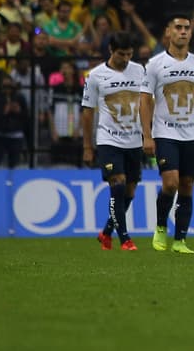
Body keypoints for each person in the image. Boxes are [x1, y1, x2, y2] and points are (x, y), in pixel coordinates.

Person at [141, 13, 194, 254]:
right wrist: (147, 135)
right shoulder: (155, 64)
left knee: (187, 185)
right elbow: (144, 101)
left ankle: (180, 240)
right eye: (178, 27)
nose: (183, 31)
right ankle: (161, 226)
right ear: (168, 32)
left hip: (192, 134)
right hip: (165, 133)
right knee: (171, 182)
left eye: (186, 28)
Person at [81, 32, 146, 251]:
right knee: (117, 186)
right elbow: (87, 112)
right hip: (108, 139)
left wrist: (149, 134)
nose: (126, 58)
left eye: (129, 54)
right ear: (110, 50)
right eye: (121, 54)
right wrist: (87, 146)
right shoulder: (96, 76)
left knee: (130, 191)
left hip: (134, 139)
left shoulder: (139, 70)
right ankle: (125, 239)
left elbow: (147, 103)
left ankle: (106, 232)